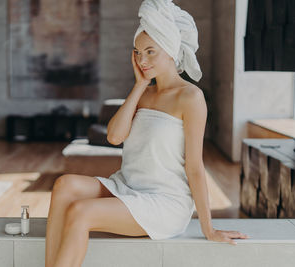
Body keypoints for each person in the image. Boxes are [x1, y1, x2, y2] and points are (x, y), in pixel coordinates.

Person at [45, 1, 249, 266]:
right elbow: (114, 137)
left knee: (81, 212)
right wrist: (140, 85)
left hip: (164, 202)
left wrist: (208, 228)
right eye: (138, 52)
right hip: (127, 187)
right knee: (64, 185)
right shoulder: (143, 94)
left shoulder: (190, 97)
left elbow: (195, 167)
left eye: (150, 52)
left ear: (171, 50)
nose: (142, 60)